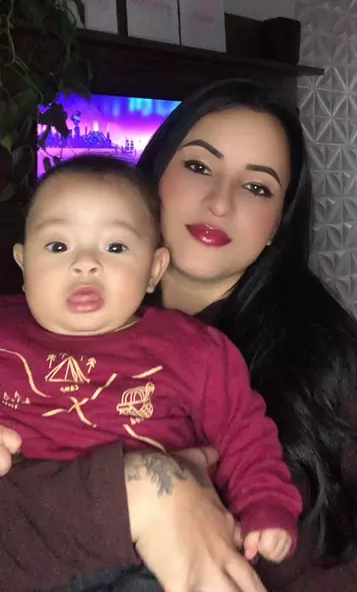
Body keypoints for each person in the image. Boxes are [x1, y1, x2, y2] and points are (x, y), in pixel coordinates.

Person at [0, 78, 357, 592]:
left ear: (276, 225)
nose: (220, 203)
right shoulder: (33, 324)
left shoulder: (313, 350)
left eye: (257, 187)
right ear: (153, 175)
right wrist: (143, 491)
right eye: (199, 167)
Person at [1, 154, 301, 588]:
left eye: (116, 247)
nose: (85, 263)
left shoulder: (192, 349)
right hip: (35, 547)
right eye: (58, 246)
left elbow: (244, 433)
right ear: (24, 262)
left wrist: (266, 504)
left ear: (154, 270)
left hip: (148, 555)